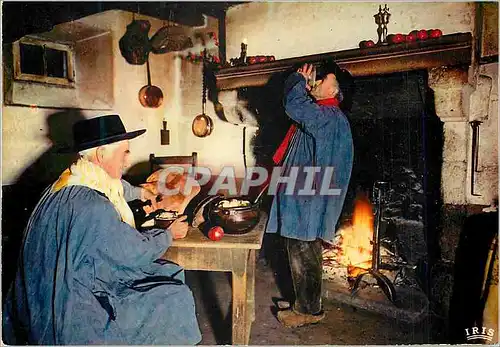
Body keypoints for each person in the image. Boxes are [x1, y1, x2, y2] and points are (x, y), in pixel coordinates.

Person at [3, 115, 202, 344]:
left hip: (37, 300)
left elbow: (112, 187)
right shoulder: (93, 205)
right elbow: (133, 253)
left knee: (167, 273)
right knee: (177, 296)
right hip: (71, 310)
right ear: (101, 154)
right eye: (124, 153)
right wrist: (168, 234)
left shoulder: (68, 182)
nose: (127, 161)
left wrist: (141, 193)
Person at [266, 62, 354, 328]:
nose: (315, 81)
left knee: (303, 251)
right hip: (305, 194)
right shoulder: (323, 115)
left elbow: (294, 106)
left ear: (335, 88)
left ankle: (308, 311)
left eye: (322, 78)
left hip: (308, 198)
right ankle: (303, 302)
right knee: (301, 250)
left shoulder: (327, 115)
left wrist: (297, 79)